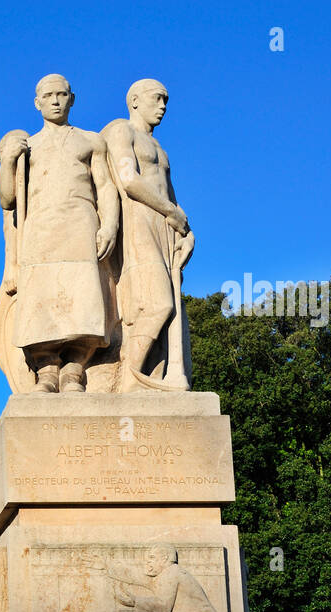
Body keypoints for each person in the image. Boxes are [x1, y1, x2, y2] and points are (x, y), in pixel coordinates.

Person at [0, 74, 119, 394]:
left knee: (84, 300)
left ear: (72, 99)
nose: (56, 100)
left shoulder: (91, 141)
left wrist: (110, 226)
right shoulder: (27, 146)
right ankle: (47, 369)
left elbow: (105, 187)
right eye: (48, 95)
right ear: (37, 103)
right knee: (41, 302)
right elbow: (7, 199)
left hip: (80, 224)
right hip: (40, 231)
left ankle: (75, 368)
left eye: (62, 94)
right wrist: (8, 161)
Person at [101, 79, 195, 391]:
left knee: (169, 313)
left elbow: (172, 196)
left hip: (164, 226)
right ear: (135, 101)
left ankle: (151, 380)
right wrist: (170, 211)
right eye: (157, 99)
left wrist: (187, 233)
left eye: (166, 100)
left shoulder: (160, 150)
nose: (163, 106)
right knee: (156, 304)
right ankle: (130, 378)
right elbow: (129, 181)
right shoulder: (120, 130)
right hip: (137, 219)